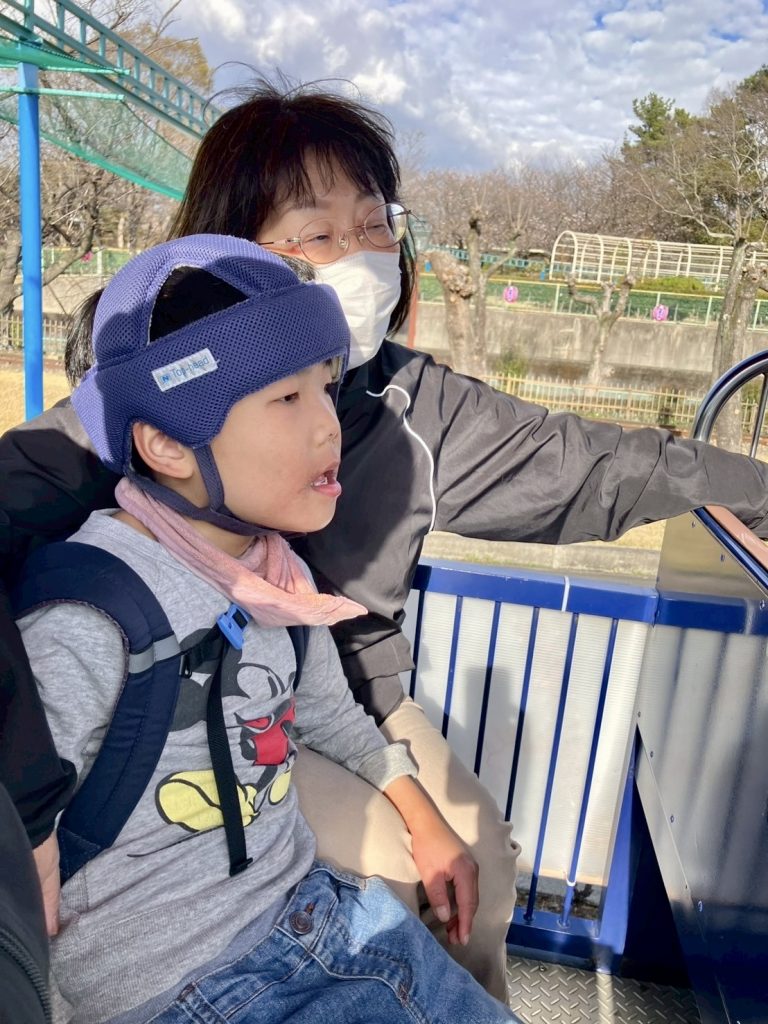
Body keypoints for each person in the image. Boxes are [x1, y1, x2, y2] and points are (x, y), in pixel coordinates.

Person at [5, 76, 768, 1002]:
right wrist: (30, 810)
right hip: (181, 712)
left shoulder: (417, 408)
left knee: (478, 866)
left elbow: (598, 466)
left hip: (343, 690)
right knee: (390, 882)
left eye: (375, 226)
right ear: (225, 255)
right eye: (317, 234)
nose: (361, 257)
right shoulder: (133, 422)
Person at [13, 233, 515, 1024]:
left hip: (326, 921)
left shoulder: (277, 582)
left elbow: (334, 719)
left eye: (327, 387)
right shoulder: (92, 611)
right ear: (167, 443)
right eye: (287, 399)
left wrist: (429, 824)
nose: (327, 426)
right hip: (189, 988)